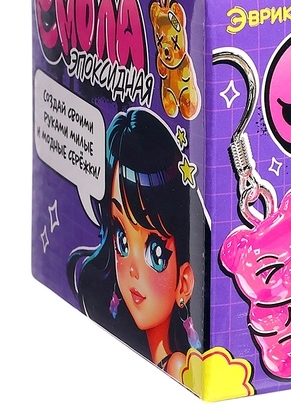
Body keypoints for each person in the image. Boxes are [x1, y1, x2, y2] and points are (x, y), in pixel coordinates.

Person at [68, 108, 209, 379]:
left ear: (184, 282)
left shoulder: (178, 366)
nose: (132, 269)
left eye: (155, 252)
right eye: (122, 238)